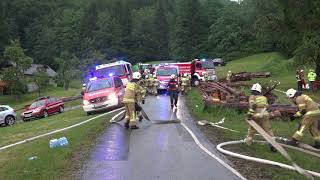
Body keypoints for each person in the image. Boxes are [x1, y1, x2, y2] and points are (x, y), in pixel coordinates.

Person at [246, 83, 276, 152]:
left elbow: (252, 106)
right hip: (265, 115)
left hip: (256, 116)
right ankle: (273, 145)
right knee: (268, 130)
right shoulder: (264, 98)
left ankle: (248, 143)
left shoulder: (252, 97)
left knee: (252, 130)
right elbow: (267, 107)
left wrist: (250, 115)